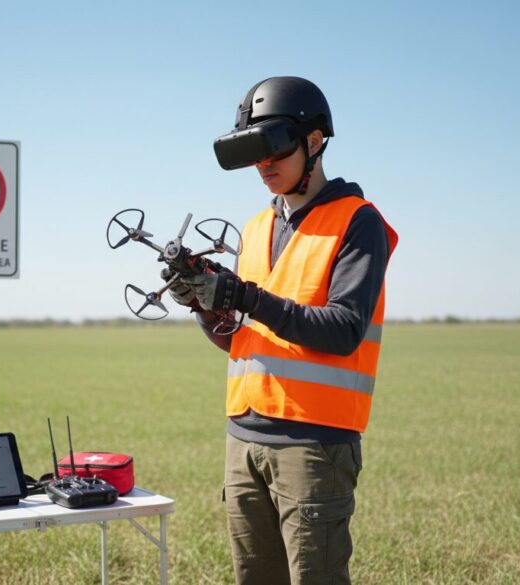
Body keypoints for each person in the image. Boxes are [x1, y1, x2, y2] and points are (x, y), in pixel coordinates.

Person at [169, 76, 398, 585]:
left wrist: (246, 296)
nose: (263, 165)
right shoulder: (255, 229)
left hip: (313, 447)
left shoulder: (357, 222)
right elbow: (242, 338)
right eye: (253, 154)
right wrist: (205, 307)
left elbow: (343, 330)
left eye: (273, 149)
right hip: (243, 439)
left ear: (314, 142)